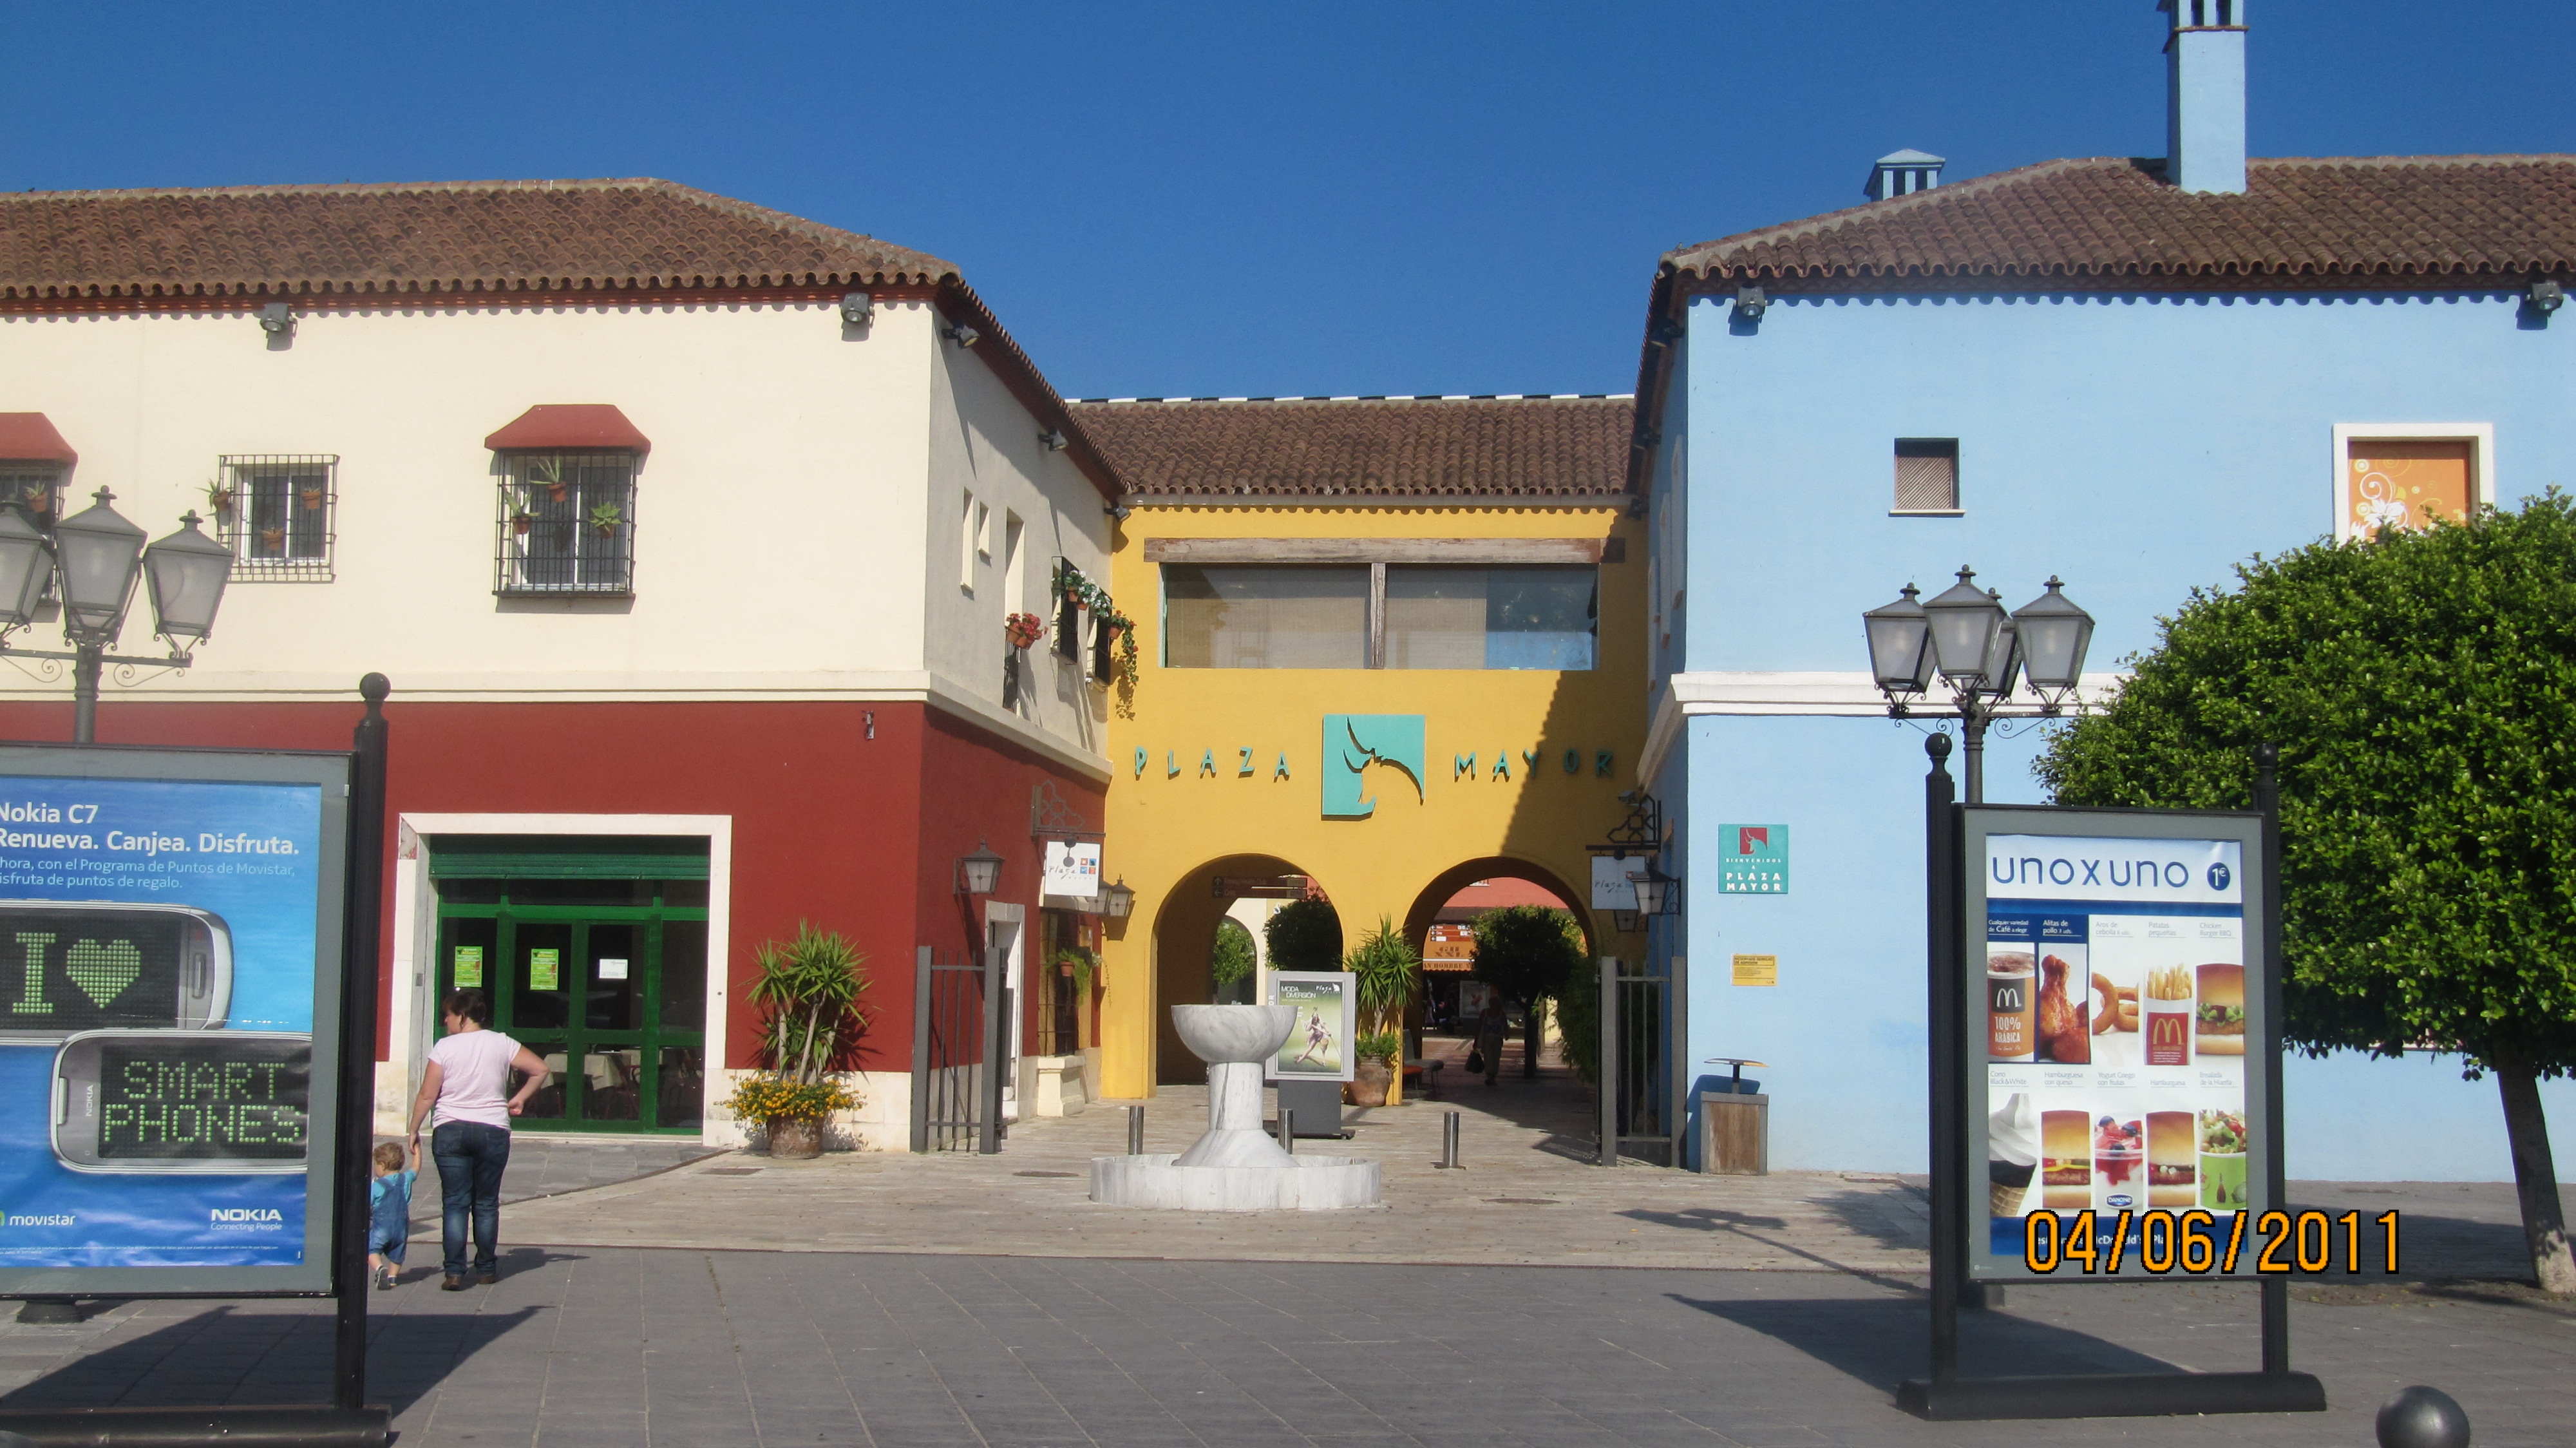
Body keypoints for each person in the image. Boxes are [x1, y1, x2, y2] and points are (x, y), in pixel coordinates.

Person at [406, 989, 550, 1291]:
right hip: (492, 1129)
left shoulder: (444, 1048)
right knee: (486, 1203)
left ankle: (455, 1272)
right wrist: (518, 1099)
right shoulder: (502, 1042)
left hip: (451, 1129)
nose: (445, 1021)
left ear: (462, 1016)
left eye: (447, 1015)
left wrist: (414, 1128)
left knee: (455, 1202)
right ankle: (486, 1268)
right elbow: (540, 1069)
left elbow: (428, 1094)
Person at [366, 1140, 415, 1289]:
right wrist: (417, 1151)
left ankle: (380, 1268)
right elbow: (416, 1168)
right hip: (401, 1229)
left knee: (371, 1250)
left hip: (382, 1228)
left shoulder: (377, 1186)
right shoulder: (405, 1180)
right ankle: (393, 1278)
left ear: (381, 1166)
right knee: (397, 1255)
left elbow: (367, 1203)